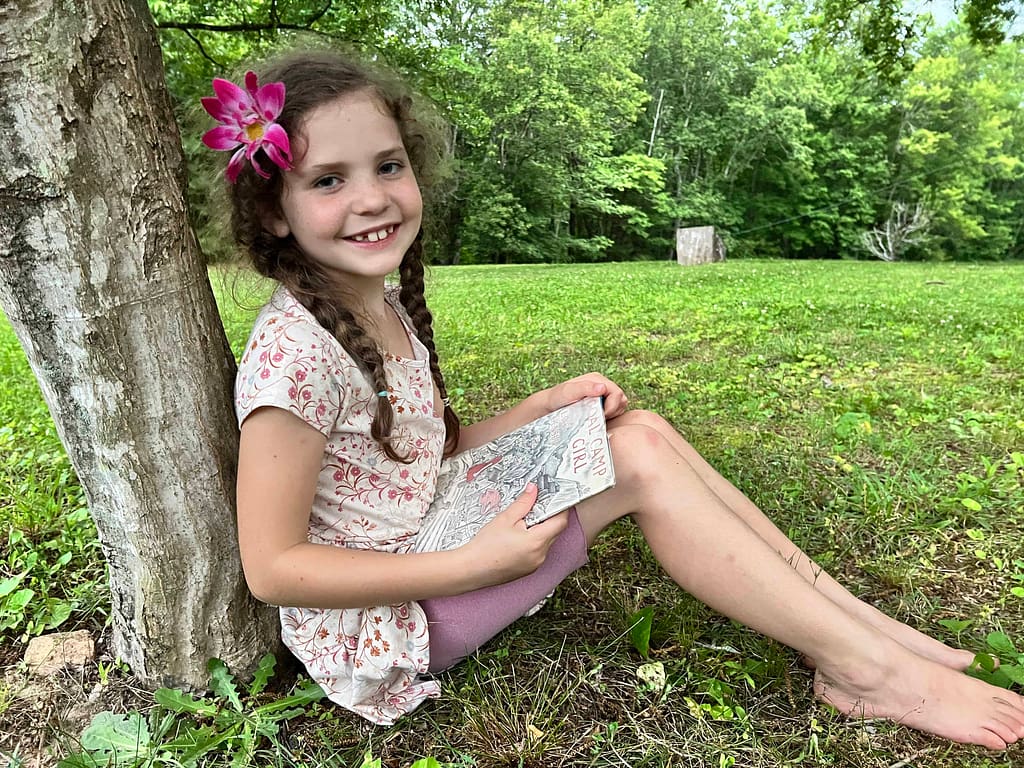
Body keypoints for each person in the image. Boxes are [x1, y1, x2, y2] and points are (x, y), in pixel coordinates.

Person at [207, 50, 1024, 747]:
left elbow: (418, 454)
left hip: (427, 541)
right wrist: (472, 565)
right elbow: (273, 569)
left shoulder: (376, 305)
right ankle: (864, 670)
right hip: (393, 620)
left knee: (643, 429)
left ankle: (860, 626)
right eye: (329, 179)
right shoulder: (293, 359)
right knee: (634, 459)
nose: (372, 197)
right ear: (273, 212)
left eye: (389, 165)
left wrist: (542, 406)